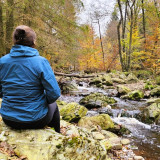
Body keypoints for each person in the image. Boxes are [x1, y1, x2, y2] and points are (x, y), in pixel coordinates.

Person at [0, 25, 61, 133]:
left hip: (9, 119)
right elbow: (54, 93)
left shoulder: (2, 61)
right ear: (33, 41)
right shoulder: (41, 62)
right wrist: (42, 102)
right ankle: (57, 135)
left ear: (14, 41)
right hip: (36, 120)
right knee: (54, 105)